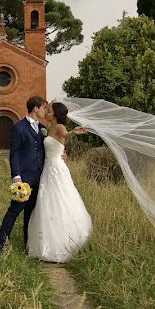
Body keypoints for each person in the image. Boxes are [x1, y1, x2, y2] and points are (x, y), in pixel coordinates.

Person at [26, 101, 91, 263]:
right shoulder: (47, 128)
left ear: (55, 114)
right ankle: (45, 241)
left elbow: (66, 135)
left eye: (49, 110)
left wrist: (74, 132)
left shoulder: (60, 127)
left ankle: (63, 243)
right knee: (46, 202)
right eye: (46, 109)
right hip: (48, 169)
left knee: (59, 200)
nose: (46, 111)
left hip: (56, 169)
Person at [0, 95, 49, 252]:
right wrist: (16, 177)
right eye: (44, 108)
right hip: (24, 178)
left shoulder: (42, 129)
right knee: (14, 211)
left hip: (40, 178)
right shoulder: (18, 128)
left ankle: (28, 245)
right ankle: (0, 244)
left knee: (31, 214)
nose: (46, 111)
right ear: (35, 109)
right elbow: (15, 153)